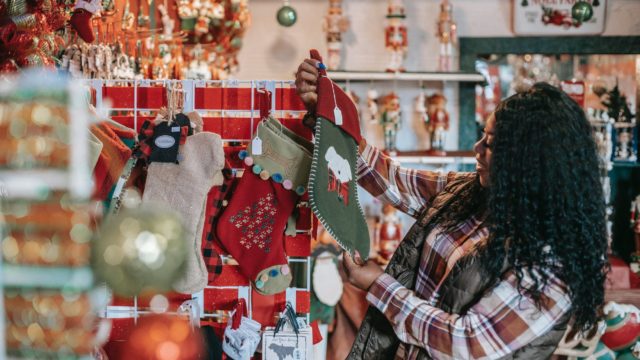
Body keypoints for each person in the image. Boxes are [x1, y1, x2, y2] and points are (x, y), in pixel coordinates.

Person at [295, 58, 608, 359]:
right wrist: (328, 116)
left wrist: (379, 286)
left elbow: (466, 344)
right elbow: (390, 179)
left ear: (532, 161)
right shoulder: (472, 193)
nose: (477, 149)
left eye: (492, 144)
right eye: (482, 137)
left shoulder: (551, 266)